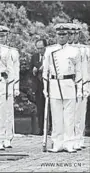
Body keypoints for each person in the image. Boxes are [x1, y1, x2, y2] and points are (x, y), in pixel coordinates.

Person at [42, 23, 82, 153]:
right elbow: (45, 71)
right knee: (56, 116)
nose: (61, 37)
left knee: (69, 116)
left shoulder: (75, 51)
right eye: (59, 35)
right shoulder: (50, 50)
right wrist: (45, 88)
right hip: (54, 85)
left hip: (69, 85)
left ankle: (69, 143)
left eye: (64, 34)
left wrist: (80, 88)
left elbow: (79, 72)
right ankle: (57, 143)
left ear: (68, 35)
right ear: (56, 35)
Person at [71, 23, 89, 150]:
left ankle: (79, 138)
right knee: (67, 113)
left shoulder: (85, 49)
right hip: (66, 84)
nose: (73, 36)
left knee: (80, 113)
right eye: (71, 33)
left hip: (82, 83)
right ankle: (68, 138)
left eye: (75, 33)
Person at [31, 39, 52, 136]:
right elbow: (30, 71)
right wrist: (34, 70)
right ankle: (41, 129)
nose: (40, 51)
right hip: (38, 86)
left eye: (42, 48)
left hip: (49, 85)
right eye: (38, 48)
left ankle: (51, 128)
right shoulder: (35, 57)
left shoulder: (50, 56)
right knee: (40, 108)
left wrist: (43, 67)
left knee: (51, 108)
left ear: (45, 47)